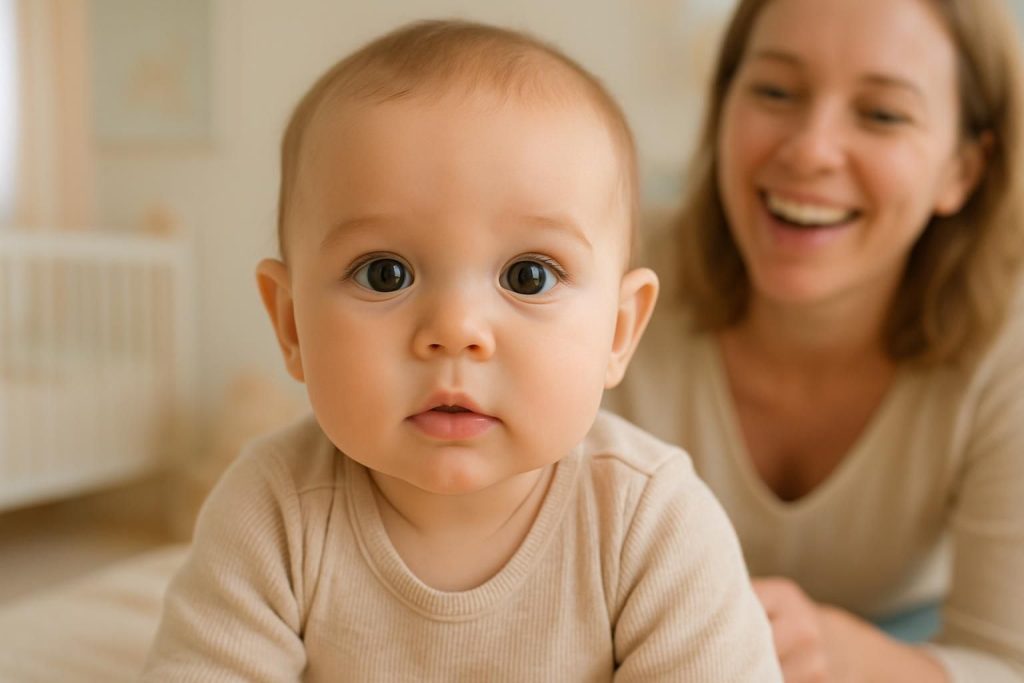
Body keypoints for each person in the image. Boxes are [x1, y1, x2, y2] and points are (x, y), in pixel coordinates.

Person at [142, 20, 782, 681]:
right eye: (384, 272)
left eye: (528, 275)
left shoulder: (652, 523)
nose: (455, 329)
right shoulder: (272, 510)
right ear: (292, 324)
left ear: (619, 332)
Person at [607, 0, 1024, 680]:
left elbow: (1005, 662)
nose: (809, 149)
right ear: (723, 104)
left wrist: (841, 654)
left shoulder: (1012, 342)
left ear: (963, 170)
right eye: (774, 91)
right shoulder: (606, 279)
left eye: (882, 113)